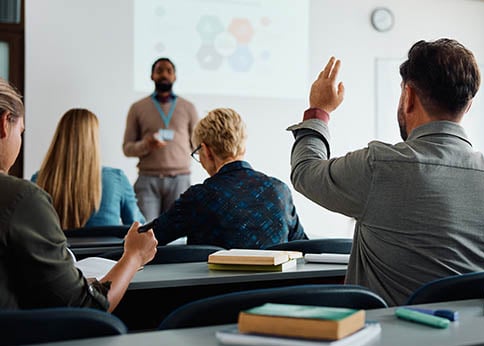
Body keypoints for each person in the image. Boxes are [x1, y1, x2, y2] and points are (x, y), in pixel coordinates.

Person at [287, 39, 484, 306]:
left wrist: (319, 110)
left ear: (408, 96)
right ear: (467, 106)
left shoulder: (380, 167)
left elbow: (305, 171)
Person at [0, 78, 157, 311]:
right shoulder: (22, 197)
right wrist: (133, 255)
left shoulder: (38, 179)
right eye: (21, 131)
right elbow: (83, 306)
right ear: (4, 124)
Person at [152, 107, 306, 249]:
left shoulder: (198, 197)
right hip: (274, 280)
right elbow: (303, 246)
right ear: (243, 147)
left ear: (206, 151)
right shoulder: (279, 191)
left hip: (215, 280)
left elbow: (146, 240)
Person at [33, 108, 145, 230]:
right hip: (106, 250)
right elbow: (139, 227)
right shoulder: (116, 179)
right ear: (93, 139)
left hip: (58, 250)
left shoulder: (38, 180)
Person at [123, 57, 199, 221]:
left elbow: (198, 145)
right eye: (159, 71)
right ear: (152, 76)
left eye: (168, 71)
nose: (164, 74)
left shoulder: (188, 107)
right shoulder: (138, 108)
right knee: (146, 232)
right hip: (148, 180)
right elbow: (127, 148)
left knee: (177, 237)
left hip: (180, 179)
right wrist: (146, 144)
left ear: (175, 77)